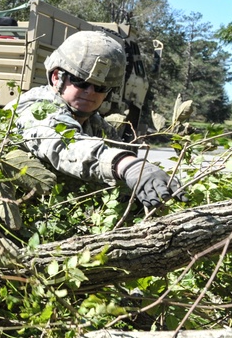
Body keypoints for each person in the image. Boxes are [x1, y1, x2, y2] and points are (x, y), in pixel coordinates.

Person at [13, 30, 181, 209]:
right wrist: (127, 165)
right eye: (80, 81)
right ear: (56, 77)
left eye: (101, 87)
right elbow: (65, 144)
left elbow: (116, 154)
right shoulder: (34, 109)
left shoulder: (94, 122)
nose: (90, 92)